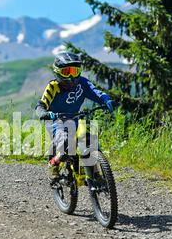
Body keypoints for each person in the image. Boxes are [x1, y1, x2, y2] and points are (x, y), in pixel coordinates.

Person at [36, 51, 117, 180]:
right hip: (55, 120)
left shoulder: (83, 83)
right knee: (65, 143)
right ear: (57, 72)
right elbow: (41, 105)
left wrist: (107, 100)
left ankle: (96, 174)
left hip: (75, 118)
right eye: (66, 72)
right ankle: (53, 164)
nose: (71, 77)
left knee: (90, 139)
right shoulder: (53, 87)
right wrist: (44, 113)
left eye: (75, 71)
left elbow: (96, 92)